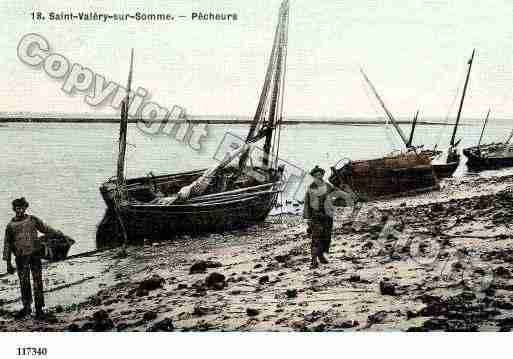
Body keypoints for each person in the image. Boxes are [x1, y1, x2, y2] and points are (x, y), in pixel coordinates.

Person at [3, 197, 63, 318]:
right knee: (24, 283)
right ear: (14, 209)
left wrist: (58, 233)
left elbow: (45, 228)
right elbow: (7, 245)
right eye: (17, 208)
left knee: (37, 281)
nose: (19, 210)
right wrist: (8, 263)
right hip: (20, 258)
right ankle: (27, 308)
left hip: (35, 255)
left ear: (25, 208)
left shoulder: (33, 220)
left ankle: (39, 308)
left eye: (21, 208)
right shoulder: (10, 226)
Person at [303, 166, 336, 269]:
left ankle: (321, 255)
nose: (318, 177)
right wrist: (308, 218)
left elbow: (336, 196)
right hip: (315, 217)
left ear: (322, 175)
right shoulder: (311, 188)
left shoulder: (328, 186)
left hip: (327, 216)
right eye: (316, 175)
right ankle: (313, 260)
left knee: (326, 237)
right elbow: (307, 204)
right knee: (316, 238)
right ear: (313, 177)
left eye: (320, 175)